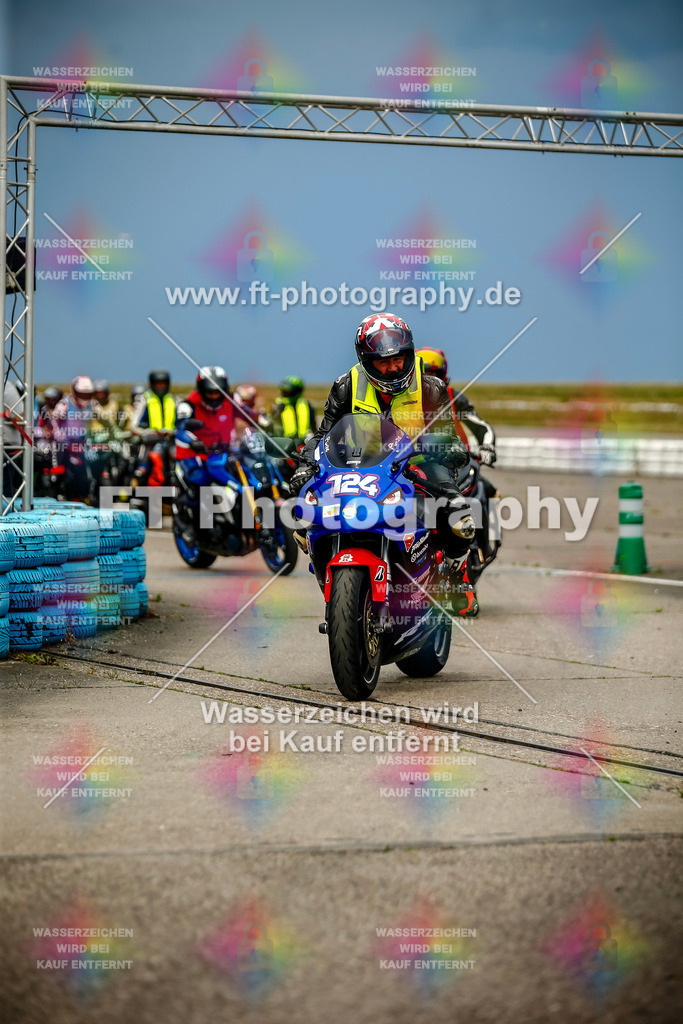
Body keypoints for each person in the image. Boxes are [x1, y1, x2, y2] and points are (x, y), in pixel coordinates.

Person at [292, 313, 476, 613]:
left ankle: (455, 573)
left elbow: (447, 437)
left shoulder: (431, 387)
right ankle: (330, 572)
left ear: (409, 353)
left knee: (458, 512)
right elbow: (324, 435)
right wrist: (305, 465)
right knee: (301, 512)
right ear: (366, 361)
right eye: (382, 361)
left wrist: (448, 448)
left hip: (419, 462)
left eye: (399, 359)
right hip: (361, 464)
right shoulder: (345, 385)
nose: (393, 367)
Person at [174, 366, 269, 544]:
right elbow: (180, 428)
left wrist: (263, 421)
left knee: (248, 474)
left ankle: (241, 519)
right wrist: (193, 441)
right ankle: (194, 529)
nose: (214, 396)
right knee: (199, 481)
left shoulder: (230, 401)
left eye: (218, 392)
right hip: (193, 454)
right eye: (210, 392)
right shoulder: (188, 405)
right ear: (201, 391)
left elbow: (246, 413)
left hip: (222, 452)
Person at [417, 348, 496, 463]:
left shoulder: (453, 397)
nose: (429, 381)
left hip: (456, 462)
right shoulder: (399, 397)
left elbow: (480, 426)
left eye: (433, 375)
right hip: (414, 463)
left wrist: (487, 447)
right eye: (423, 375)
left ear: (442, 376)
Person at [50, 376, 96, 499]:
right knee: (62, 473)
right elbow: (54, 422)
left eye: (87, 394)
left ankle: (83, 496)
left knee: (83, 472)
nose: (84, 397)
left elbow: (93, 423)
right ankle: (60, 493)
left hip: (81, 444)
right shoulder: (64, 404)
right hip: (64, 446)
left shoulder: (91, 405)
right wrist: (59, 436)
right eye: (82, 394)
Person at [130, 370, 178, 486]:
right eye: (158, 383)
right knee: (151, 460)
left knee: (178, 460)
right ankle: (143, 488)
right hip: (151, 442)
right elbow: (133, 425)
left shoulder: (174, 400)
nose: (161, 386)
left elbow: (182, 422)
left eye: (163, 383)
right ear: (152, 384)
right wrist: (148, 432)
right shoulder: (145, 399)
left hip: (172, 441)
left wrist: (173, 432)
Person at [271, 375, 316, 442]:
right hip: (284, 444)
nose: (286, 394)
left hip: (304, 443)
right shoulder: (278, 405)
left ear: (297, 391)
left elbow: (313, 426)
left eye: (289, 392)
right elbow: (274, 426)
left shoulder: (307, 405)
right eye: (284, 391)